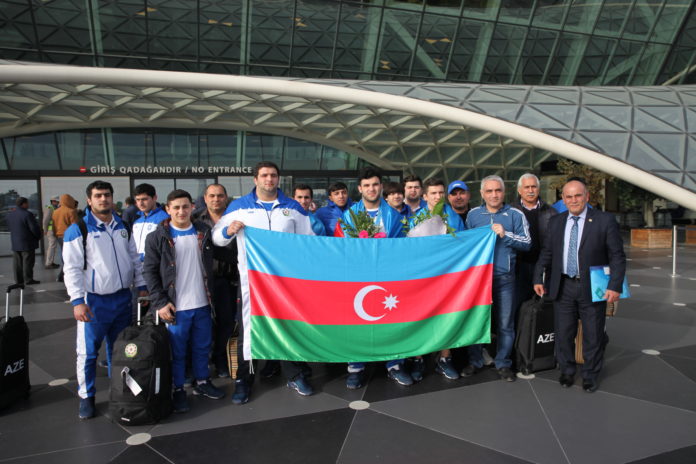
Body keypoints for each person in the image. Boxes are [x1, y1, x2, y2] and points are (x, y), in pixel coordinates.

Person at [212, 161, 315, 404]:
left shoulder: (292, 207)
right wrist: (228, 231)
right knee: (248, 330)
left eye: (273, 175)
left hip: (286, 282)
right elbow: (217, 237)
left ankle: (294, 374)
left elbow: (308, 241)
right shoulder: (239, 207)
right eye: (264, 175)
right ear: (255, 179)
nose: (269, 179)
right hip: (252, 282)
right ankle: (243, 381)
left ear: (278, 179)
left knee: (289, 327)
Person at [63, 180, 147, 419]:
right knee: (88, 353)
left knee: (119, 351)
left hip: (122, 298)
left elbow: (134, 258)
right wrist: (77, 301)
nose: (103, 199)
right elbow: (71, 269)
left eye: (107, 195)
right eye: (98, 195)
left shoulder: (123, 225)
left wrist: (141, 285)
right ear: (89, 200)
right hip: (94, 302)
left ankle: (118, 391)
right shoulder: (79, 229)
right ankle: (86, 397)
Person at [533, 179, 626, 393]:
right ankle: (567, 371)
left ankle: (590, 375)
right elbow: (547, 252)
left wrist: (615, 285)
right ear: (563, 199)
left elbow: (617, 256)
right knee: (564, 333)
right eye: (569, 196)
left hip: (593, 286)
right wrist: (538, 277)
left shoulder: (604, 220)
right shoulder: (556, 222)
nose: (573, 200)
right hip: (563, 286)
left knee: (593, 334)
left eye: (578, 195)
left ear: (587, 197)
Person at [144, 189, 226, 413]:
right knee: (177, 352)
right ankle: (178, 389)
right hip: (175, 307)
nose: (181, 211)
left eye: (185, 207)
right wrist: (160, 302)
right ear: (167, 210)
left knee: (202, 347)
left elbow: (222, 255)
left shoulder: (204, 232)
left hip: (202, 304)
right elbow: (149, 272)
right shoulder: (157, 237)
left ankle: (202, 382)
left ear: (193, 207)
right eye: (176, 207)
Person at [340, 167, 411, 389]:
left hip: (388, 277)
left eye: (375, 184)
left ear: (381, 186)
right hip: (358, 277)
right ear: (360, 188)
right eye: (367, 185)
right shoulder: (349, 215)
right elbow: (344, 248)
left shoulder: (394, 215)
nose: (371, 189)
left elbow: (401, 248)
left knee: (391, 319)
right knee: (357, 322)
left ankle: (395, 364)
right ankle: (356, 367)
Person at [465, 175, 531, 382]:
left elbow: (527, 243)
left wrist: (505, 234)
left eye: (498, 190)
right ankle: (475, 361)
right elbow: (465, 245)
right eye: (489, 191)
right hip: (478, 280)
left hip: (505, 279)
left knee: (505, 324)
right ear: (482, 194)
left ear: (504, 192)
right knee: (476, 322)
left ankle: (503, 364)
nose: (494, 195)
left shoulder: (515, 214)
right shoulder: (473, 215)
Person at [408, 178, 466, 381]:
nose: (438, 196)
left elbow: (462, 245)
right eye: (433, 193)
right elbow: (410, 248)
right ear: (425, 196)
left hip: (447, 275)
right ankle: (418, 359)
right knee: (420, 317)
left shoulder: (454, 217)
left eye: (441, 193)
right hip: (423, 276)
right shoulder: (417, 218)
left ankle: (444, 358)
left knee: (446, 316)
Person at [192, 184, 238, 379]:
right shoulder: (194, 220)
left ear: (226, 197)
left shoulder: (236, 217)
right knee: (203, 324)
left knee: (226, 322)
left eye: (220, 196)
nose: (216, 199)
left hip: (228, 279)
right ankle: (201, 363)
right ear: (205, 198)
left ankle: (220, 360)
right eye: (212, 196)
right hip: (201, 280)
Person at [511, 173, 557, 309]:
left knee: (541, 307)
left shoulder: (551, 212)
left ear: (539, 189)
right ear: (519, 190)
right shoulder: (510, 211)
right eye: (527, 187)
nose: (530, 191)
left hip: (542, 266)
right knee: (517, 305)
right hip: (518, 267)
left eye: (534, 187)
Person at [7, 197, 41, 285]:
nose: (28, 205)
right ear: (23, 204)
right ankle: (28, 279)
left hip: (15, 242)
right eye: (27, 203)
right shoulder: (27, 214)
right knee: (28, 262)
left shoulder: (11, 214)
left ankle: (18, 280)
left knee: (17, 263)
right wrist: (38, 236)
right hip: (27, 242)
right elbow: (33, 228)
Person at [132, 184, 169, 262]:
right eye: (138, 200)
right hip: (137, 265)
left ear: (155, 198)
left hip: (154, 264)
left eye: (144, 199)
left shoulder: (164, 219)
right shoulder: (137, 222)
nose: (140, 203)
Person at [52, 193, 79, 282]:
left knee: (64, 254)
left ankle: (62, 275)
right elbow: (75, 225)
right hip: (69, 237)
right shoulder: (71, 211)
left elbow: (54, 225)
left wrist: (55, 234)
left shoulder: (55, 212)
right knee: (70, 256)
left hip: (59, 235)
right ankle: (63, 275)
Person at [42, 195, 60, 269]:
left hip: (54, 229)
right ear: (53, 201)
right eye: (57, 201)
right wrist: (45, 230)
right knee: (52, 246)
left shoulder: (55, 208)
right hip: (50, 230)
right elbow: (45, 220)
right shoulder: (49, 208)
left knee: (53, 246)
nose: (58, 203)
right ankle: (49, 263)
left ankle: (50, 262)